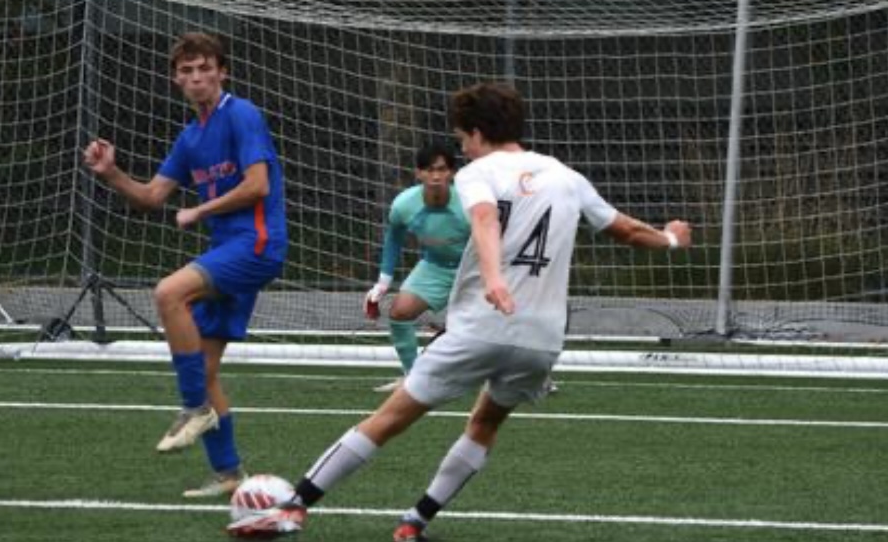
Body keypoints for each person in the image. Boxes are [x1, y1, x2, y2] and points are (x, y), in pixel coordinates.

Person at [226, 82, 690, 540]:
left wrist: (492, 279)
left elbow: (485, 220)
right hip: (542, 340)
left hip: (482, 325)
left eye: (463, 139)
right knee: (485, 422)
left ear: (476, 132)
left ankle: (294, 507)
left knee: (388, 419)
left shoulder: (478, 173)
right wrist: (670, 238)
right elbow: (628, 230)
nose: (463, 150)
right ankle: (415, 522)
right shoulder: (567, 176)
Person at [83, 32, 287, 498]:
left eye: (204, 68)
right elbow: (152, 196)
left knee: (169, 291)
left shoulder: (242, 114)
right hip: (229, 251)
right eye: (187, 71)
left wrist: (200, 211)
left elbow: (257, 186)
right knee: (208, 367)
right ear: (176, 79)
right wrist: (112, 173)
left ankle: (194, 408)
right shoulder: (190, 137)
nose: (196, 78)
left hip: (257, 244)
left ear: (221, 71)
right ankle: (229, 473)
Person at [364, 142, 470, 392]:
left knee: (504, 321)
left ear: (452, 173)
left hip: (474, 270)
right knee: (399, 311)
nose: (435, 176)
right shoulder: (404, 204)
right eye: (429, 170)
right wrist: (382, 283)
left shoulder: (469, 204)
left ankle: (534, 377)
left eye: (442, 169)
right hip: (435, 266)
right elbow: (394, 239)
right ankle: (413, 380)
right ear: (418, 173)